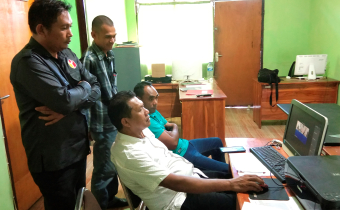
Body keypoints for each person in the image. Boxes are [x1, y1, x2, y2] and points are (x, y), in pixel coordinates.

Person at [10, 1, 100, 209]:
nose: (71, 33)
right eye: (64, 27)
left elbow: (95, 86)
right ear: (41, 29)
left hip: (77, 149)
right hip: (54, 159)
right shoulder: (28, 62)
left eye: (70, 26)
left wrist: (72, 105)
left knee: (79, 202)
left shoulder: (67, 53)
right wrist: (77, 95)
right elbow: (64, 100)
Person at [108, 91, 265, 210]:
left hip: (191, 178)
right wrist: (231, 184)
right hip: (178, 200)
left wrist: (231, 182)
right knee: (244, 202)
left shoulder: (142, 130)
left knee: (245, 180)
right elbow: (176, 184)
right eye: (140, 109)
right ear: (126, 122)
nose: (147, 111)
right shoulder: (128, 154)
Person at [134, 81, 229, 174]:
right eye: (151, 99)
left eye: (156, 98)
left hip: (186, 144)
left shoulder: (153, 111)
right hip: (183, 155)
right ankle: (224, 175)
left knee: (216, 142)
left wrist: (171, 132)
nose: (155, 102)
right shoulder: (147, 121)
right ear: (139, 100)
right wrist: (175, 126)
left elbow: (168, 128)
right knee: (228, 169)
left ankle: (222, 175)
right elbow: (173, 143)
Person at [81, 15, 127, 209]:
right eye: (108, 36)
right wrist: (88, 127)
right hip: (100, 122)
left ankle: (111, 199)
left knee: (114, 163)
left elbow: (112, 89)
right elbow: (86, 98)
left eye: (114, 36)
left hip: (112, 118)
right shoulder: (89, 59)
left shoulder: (109, 54)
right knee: (103, 169)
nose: (112, 40)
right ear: (94, 35)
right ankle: (100, 205)